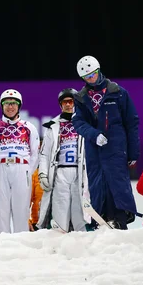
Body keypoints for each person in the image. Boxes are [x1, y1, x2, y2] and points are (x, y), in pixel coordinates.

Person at [72, 55, 140, 230]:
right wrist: (94, 135)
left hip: (115, 147)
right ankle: (100, 220)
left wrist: (133, 153)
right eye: (86, 77)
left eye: (93, 74)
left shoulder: (117, 92)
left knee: (117, 182)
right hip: (94, 148)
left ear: (99, 70)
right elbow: (78, 122)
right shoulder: (80, 97)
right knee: (97, 183)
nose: (91, 79)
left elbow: (131, 122)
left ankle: (120, 219)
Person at [0, 89, 40, 233]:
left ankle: (21, 243)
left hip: (22, 167)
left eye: (14, 103)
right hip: (0, 167)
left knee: (22, 208)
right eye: (7, 103)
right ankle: (2, 243)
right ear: (2, 106)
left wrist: (28, 171)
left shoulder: (29, 127)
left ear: (19, 106)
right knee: (1, 209)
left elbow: (35, 152)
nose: (10, 107)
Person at [37, 88, 87, 232]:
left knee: (80, 212)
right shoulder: (52, 127)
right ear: (60, 105)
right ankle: (59, 246)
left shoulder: (85, 123)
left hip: (80, 172)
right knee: (60, 209)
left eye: (71, 101)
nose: (68, 105)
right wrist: (43, 173)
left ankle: (82, 247)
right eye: (64, 102)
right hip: (60, 172)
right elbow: (45, 154)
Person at [29, 163, 43, 232]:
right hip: (36, 225)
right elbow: (24, 201)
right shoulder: (33, 172)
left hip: (59, 225)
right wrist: (27, 222)